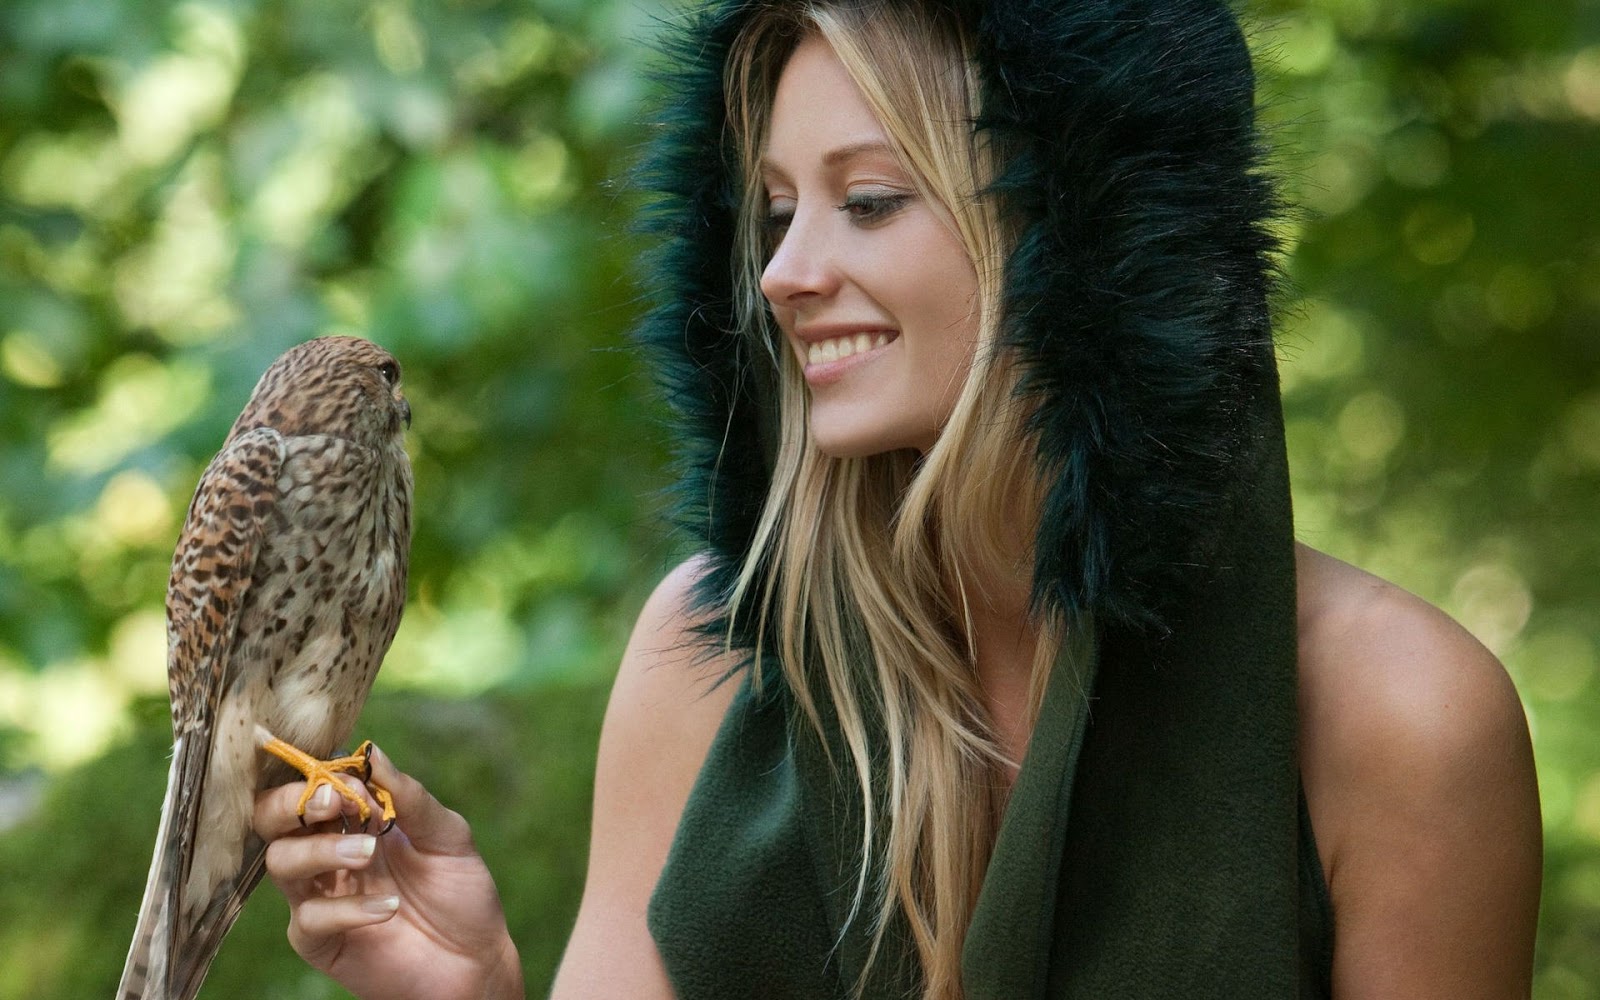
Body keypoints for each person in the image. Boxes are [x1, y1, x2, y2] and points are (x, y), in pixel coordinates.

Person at [252, 0, 1543, 997]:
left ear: (1086, 245)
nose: (787, 274)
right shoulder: (711, 659)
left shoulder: (1397, 715)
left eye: (868, 201)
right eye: (772, 212)